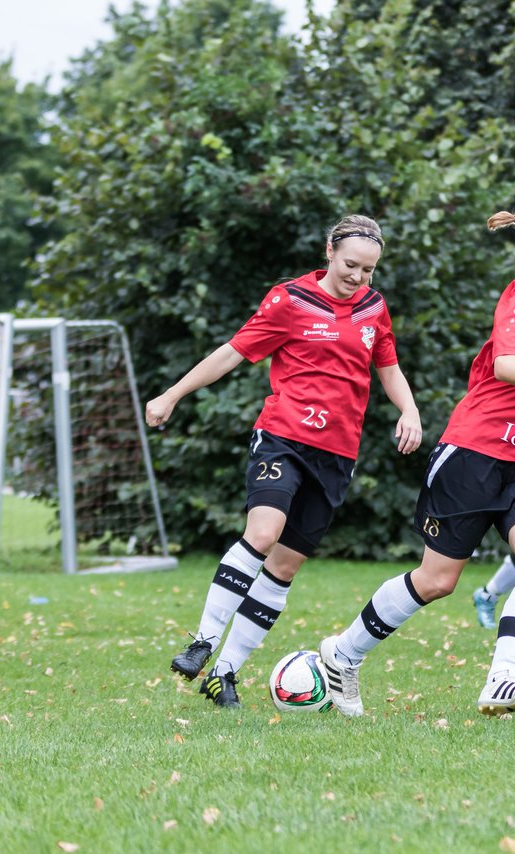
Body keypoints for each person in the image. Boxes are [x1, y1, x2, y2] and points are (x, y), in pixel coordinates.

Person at [319, 194, 515, 717]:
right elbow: (507, 362)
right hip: (476, 451)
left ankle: (503, 679)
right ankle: (343, 655)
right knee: (437, 580)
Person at [148, 215, 423, 708]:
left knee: (285, 566)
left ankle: (224, 674)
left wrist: (409, 409)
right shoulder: (289, 300)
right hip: (283, 438)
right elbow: (231, 353)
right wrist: (172, 394)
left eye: (369, 270)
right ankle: (203, 643)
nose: (358, 277)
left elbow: (389, 367)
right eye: (350, 265)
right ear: (329, 251)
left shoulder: (374, 308)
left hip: (337, 455)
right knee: (262, 533)